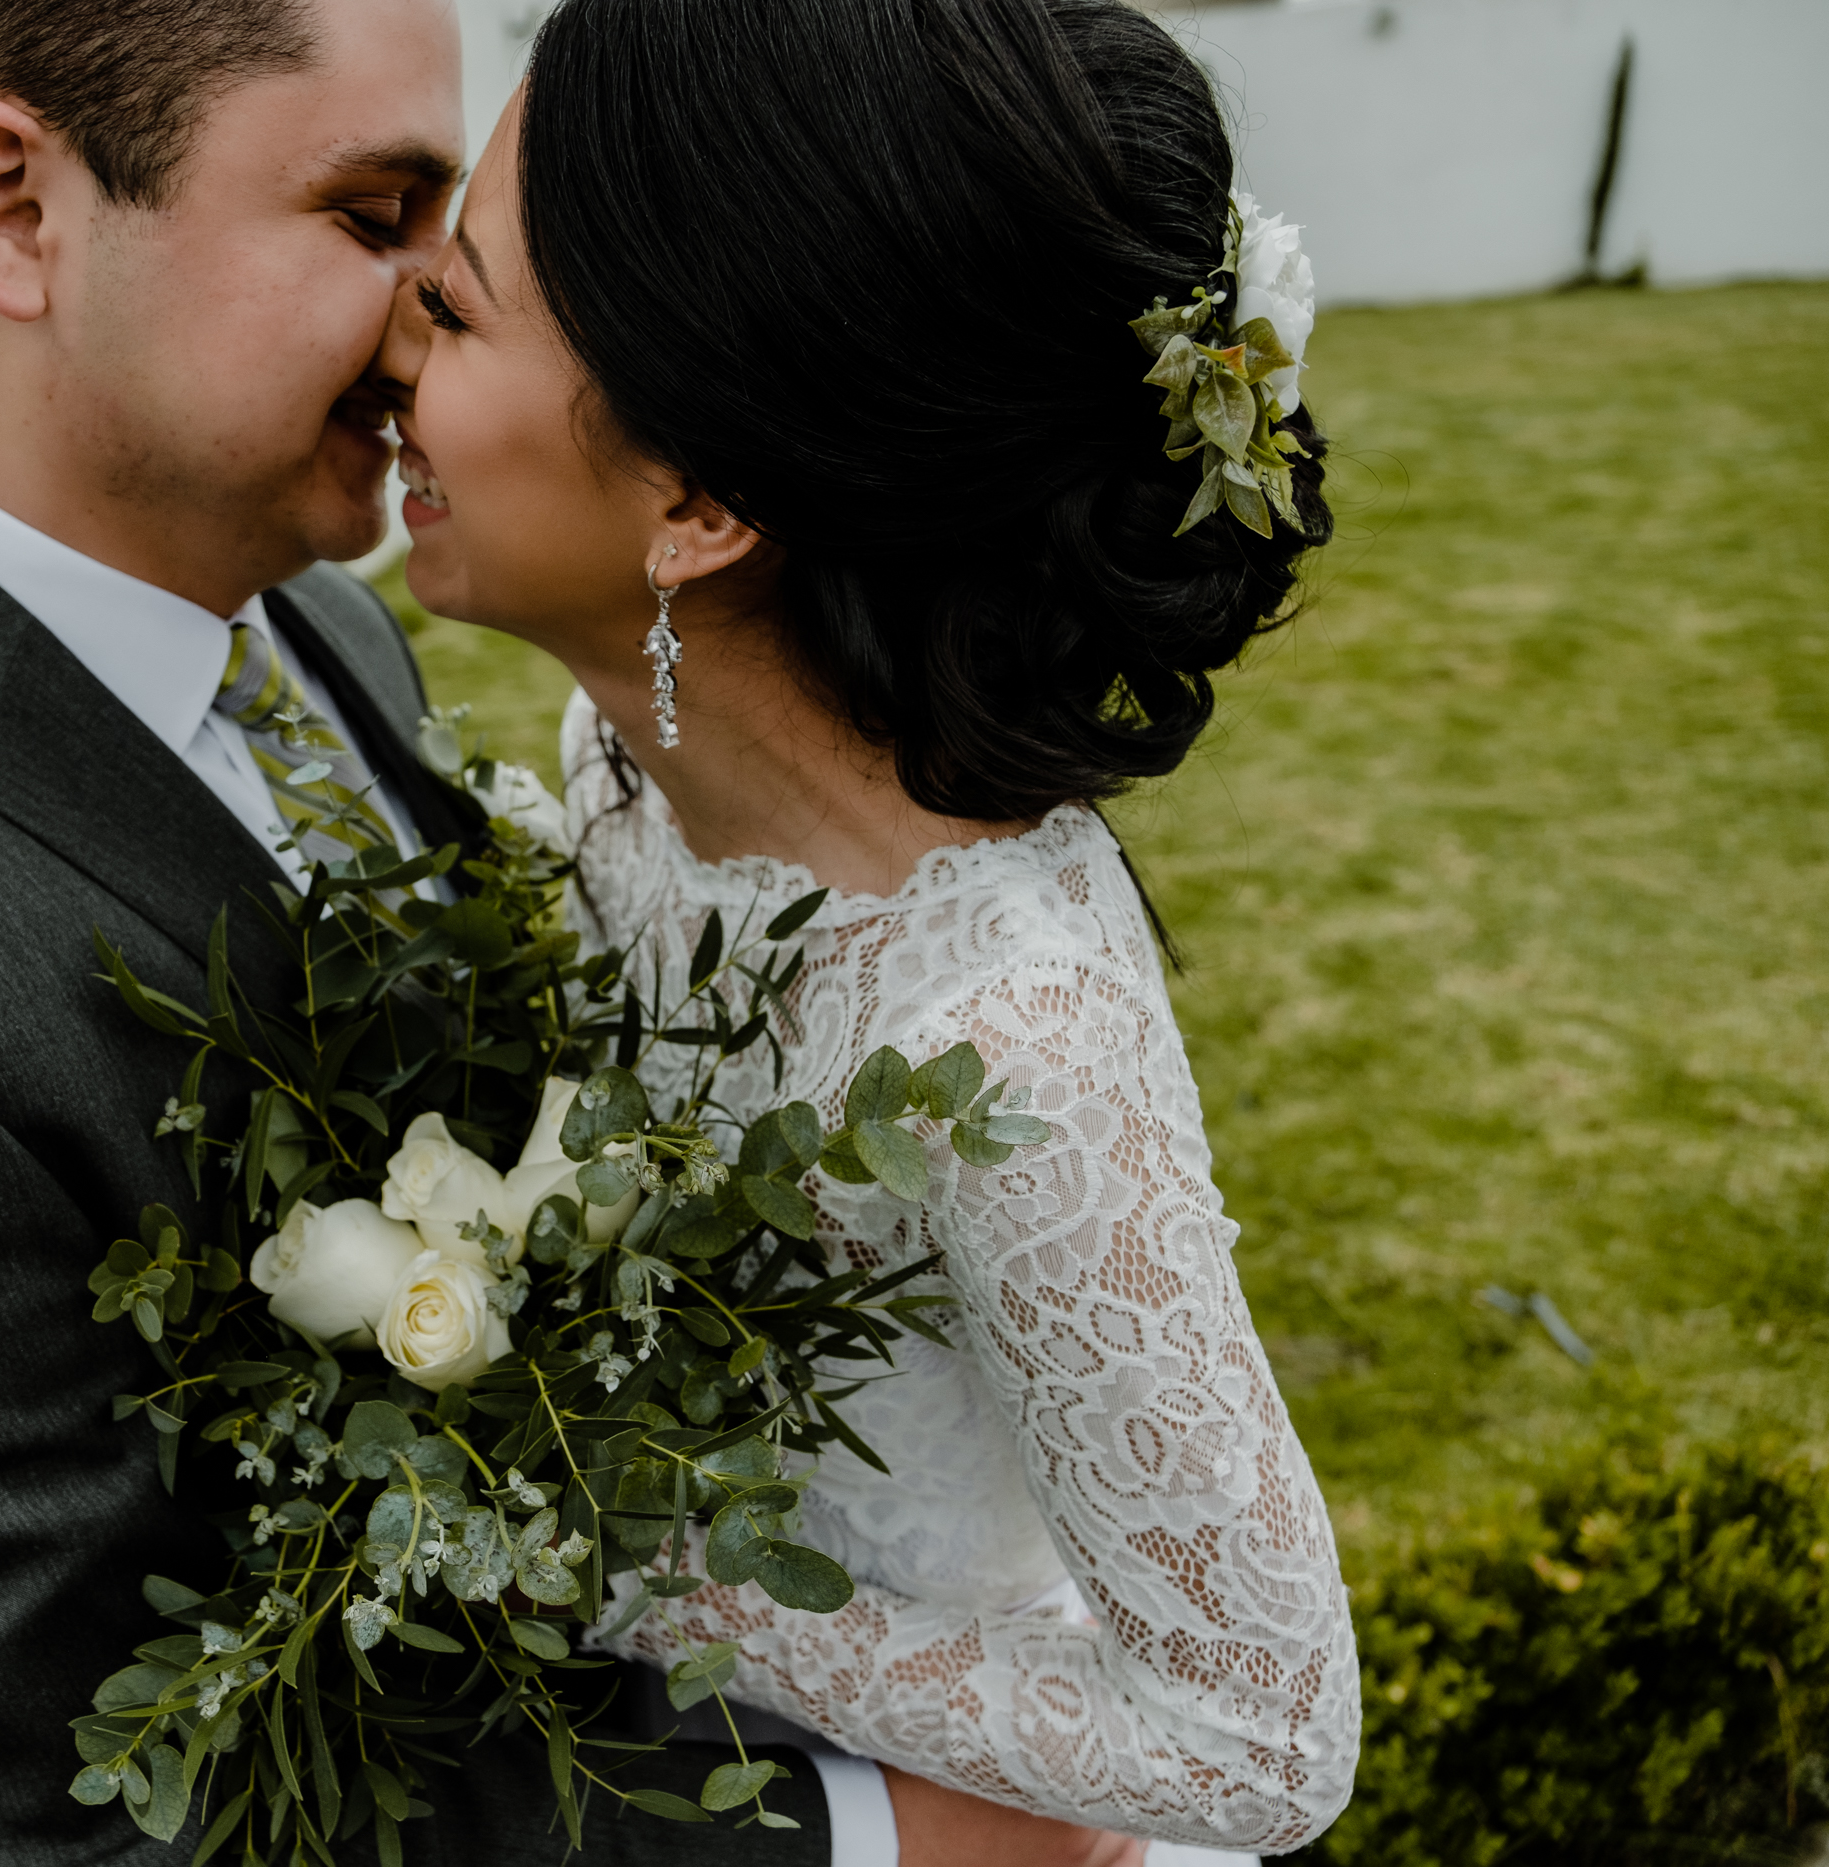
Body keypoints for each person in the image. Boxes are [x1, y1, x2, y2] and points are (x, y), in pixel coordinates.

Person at [0, 0, 1070, 1861]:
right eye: (373, 214)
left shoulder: (318, 623)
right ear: (12, 206)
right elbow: (108, 1823)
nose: (446, 308)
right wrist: (867, 1842)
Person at [373, 0, 1361, 1862]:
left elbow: (1263, 1739)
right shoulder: (621, 759)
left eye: (461, 304)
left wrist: (680, 1595)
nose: (389, 348)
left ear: (701, 504)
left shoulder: (1014, 1048)